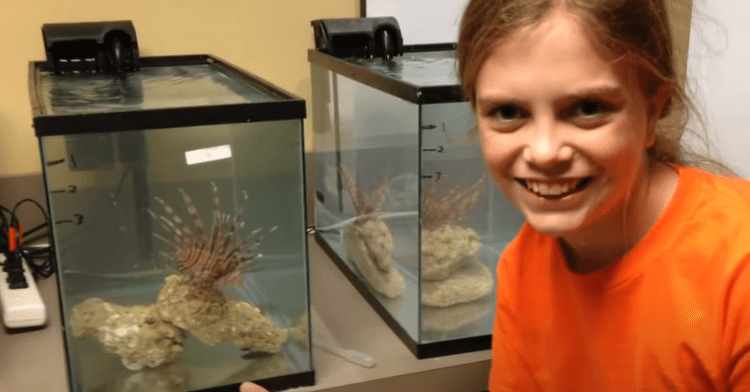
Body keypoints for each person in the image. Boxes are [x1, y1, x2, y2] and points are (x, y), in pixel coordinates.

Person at [242, 0, 750, 390]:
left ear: (653, 110)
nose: (546, 151)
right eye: (508, 112)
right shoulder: (523, 266)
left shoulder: (736, 274)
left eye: (589, 107)